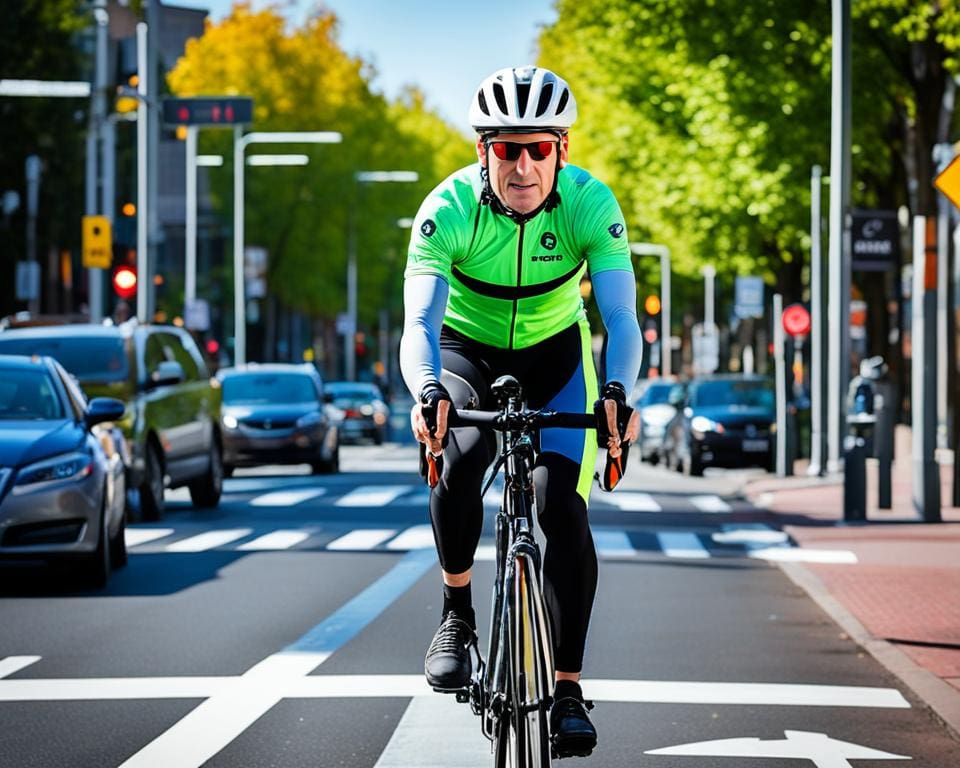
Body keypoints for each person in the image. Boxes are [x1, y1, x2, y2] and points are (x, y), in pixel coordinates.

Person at [399, 65, 642, 758]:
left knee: (560, 504)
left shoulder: (591, 204)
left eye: (539, 147)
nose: (524, 165)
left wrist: (618, 395)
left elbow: (622, 319)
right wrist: (427, 390)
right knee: (457, 463)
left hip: (557, 357)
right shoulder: (445, 210)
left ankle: (566, 688)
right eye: (508, 149)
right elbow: (417, 322)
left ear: (562, 148)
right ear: (484, 152)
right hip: (465, 350)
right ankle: (457, 616)